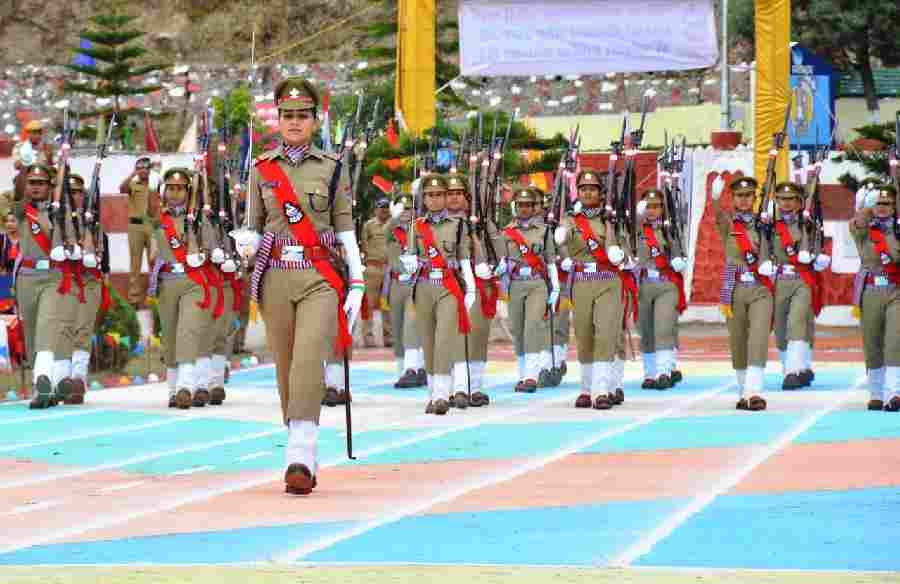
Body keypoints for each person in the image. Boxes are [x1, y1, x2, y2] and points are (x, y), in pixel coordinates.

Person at [235, 77, 364, 495]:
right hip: (274, 276)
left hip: (319, 276)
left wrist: (358, 281)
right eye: (287, 115)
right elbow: (253, 226)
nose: (294, 122)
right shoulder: (261, 168)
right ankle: (299, 440)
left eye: (302, 115)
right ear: (278, 119)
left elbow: (345, 227)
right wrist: (245, 243)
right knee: (287, 367)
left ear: (315, 120)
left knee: (310, 358)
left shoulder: (333, 167)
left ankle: (301, 454)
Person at [399, 174, 476, 415]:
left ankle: (443, 394)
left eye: (439, 194)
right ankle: (433, 394)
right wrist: (408, 262)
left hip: (448, 286)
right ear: (423, 199)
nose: (434, 199)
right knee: (428, 342)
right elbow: (409, 256)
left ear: (445, 196)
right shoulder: (416, 226)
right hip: (422, 287)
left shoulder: (458, 225)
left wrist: (471, 288)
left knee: (444, 338)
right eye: (430, 195)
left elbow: (464, 259)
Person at [554, 170, 631, 410]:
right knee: (584, 334)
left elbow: (628, 249)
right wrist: (562, 245)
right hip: (581, 282)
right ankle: (586, 389)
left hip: (608, 280)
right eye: (583, 189)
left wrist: (621, 254)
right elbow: (562, 238)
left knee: (606, 332)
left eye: (593, 189)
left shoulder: (613, 219)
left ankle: (601, 390)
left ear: (601, 193)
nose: (588, 193)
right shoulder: (570, 219)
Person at [147, 168, 214, 410]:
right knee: (170, 335)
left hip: (193, 281)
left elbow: (211, 248)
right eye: (171, 188)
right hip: (167, 281)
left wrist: (202, 253)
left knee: (188, 330)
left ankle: (186, 386)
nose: (175, 193)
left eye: (180, 189)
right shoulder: (158, 219)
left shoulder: (198, 218)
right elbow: (153, 251)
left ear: (188, 192)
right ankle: (173, 391)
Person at [711, 175, 773, 411]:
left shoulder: (765, 223)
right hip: (735, 288)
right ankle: (743, 391)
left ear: (755, 198)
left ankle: (754, 391)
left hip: (760, 287)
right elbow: (718, 215)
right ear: (733, 198)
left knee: (758, 337)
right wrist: (715, 198)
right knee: (738, 341)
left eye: (748, 195)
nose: (744, 200)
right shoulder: (729, 224)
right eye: (739, 196)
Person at [496, 186, 559, 393]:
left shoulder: (544, 230)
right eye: (521, 205)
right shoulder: (506, 232)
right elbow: (502, 259)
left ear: (534, 208)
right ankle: (523, 375)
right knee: (518, 329)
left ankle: (531, 376)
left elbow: (550, 260)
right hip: (515, 284)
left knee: (532, 326)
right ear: (515, 207)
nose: (524, 208)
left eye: (528, 205)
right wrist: (499, 267)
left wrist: (556, 287)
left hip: (537, 283)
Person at [13, 164, 63, 408]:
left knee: (46, 326)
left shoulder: (59, 211)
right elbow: (17, 191)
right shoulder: (22, 210)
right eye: (31, 183)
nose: (35, 187)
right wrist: (25, 168)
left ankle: (42, 378)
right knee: (32, 333)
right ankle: (44, 388)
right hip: (27, 277)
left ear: (49, 186)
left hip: (53, 276)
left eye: (40, 183)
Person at [769, 182, 829, 390]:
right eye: (782, 199)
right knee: (780, 328)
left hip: (802, 279)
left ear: (799, 201)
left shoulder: (809, 224)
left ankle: (793, 370)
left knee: (797, 321)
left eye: (791, 199)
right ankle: (791, 367)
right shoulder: (769, 226)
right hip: (778, 279)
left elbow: (818, 245)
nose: (786, 203)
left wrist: (820, 258)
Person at [446, 172, 496, 407]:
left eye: (459, 193)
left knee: (476, 337)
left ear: (467, 198)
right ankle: (453, 388)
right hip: (449, 283)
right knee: (451, 337)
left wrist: (493, 266)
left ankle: (474, 387)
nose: (454, 198)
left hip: (478, 284)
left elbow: (500, 251)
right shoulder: (435, 224)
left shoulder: (483, 224)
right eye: (450, 193)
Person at [850, 184, 900, 411]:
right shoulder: (864, 229)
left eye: (886, 203)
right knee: (872, 343)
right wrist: (866, 206)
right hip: (870, 290)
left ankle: (894, 393)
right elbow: (858, 222)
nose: (881, 207)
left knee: (895, 341)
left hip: (895, 290)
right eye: (878, 203)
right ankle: (876, 393)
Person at [636, 188, 688, 389]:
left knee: (664, 327)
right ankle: (650, 373)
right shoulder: (635, 230)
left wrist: (679, 260)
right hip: (644, 284)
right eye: (648, 206)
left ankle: (664, 371)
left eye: (656, 206)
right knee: (646, 330)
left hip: (667, 283)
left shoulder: (670, 229)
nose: (652, 210)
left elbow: (681, 252)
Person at [386, 190, 425, 388]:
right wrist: (393, 219)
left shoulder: (418, 229)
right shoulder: (391, 230)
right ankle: (402, 369)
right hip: (396, 283)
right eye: (401, 209)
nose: (405, 212)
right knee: (397, 326)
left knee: (414, 325)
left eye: (409, 208)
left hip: (415, 282)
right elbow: (384, 234)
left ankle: (418, 367)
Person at [120, 157, 157, 307]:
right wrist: (132, 174)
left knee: (154, 262)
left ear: (150, 170)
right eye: (139, 167)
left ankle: (154, 298)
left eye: (145, 167)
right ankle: (134, 299)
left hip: (152, 226)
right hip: (135, 227)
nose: (142, 170)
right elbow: (122, 188)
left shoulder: (155, 185)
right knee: (135, 264)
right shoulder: (133, 185)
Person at [360, 198, 392, 347]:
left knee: (387, 305)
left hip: (389, 269)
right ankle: (368, 337)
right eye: (381, 207)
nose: (384, 210)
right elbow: (364, 245)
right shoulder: (369, 225)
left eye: (386, 208)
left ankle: (389, 337)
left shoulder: (394, 225)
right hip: (373, 268)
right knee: (368, 304)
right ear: (376, 209)